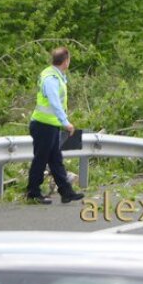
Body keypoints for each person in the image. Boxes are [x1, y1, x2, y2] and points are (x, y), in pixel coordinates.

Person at [26, 47, 84, 204]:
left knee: (55, 159)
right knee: (41, 159)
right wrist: (66, 122)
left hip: (49, 125)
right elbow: (54, 102)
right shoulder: (51, 78)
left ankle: (66, 191)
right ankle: (33, 192)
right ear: (66, 61)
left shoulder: (54, 75)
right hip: (43, 125)